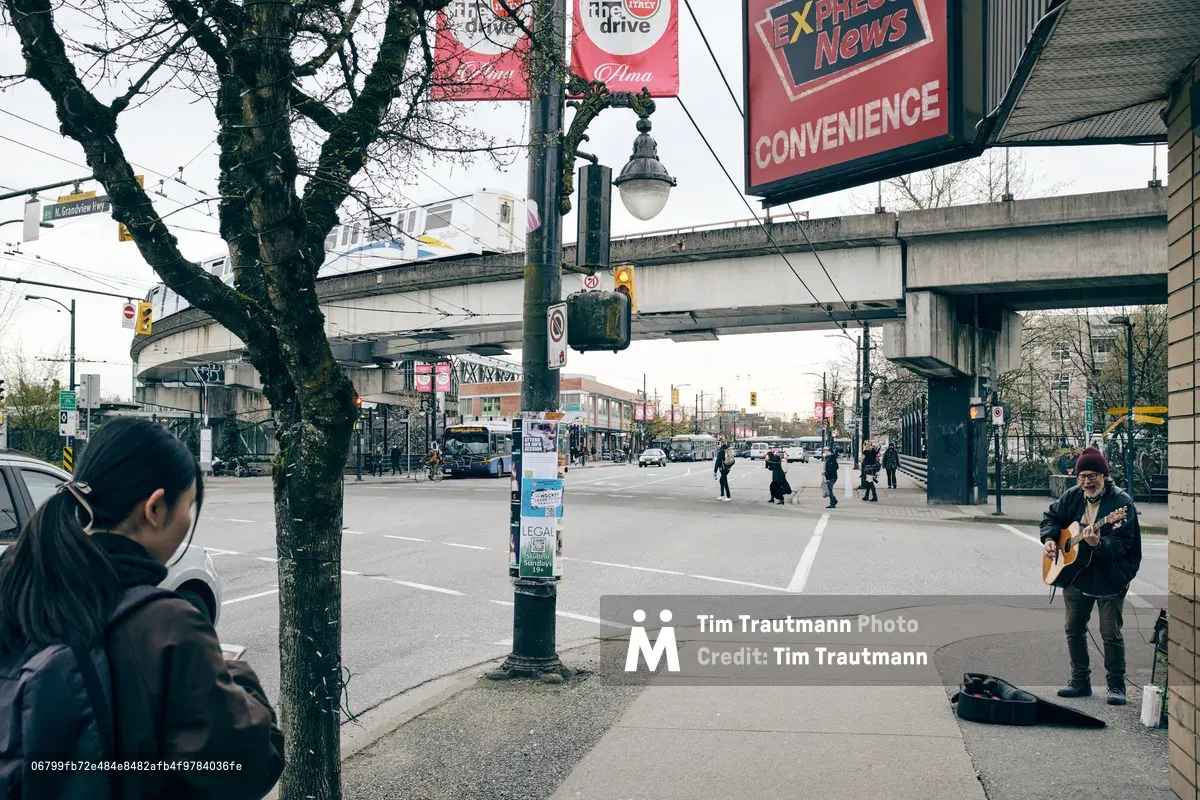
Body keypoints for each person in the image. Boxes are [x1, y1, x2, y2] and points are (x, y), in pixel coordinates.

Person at [0, 417, 284, 799]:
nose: (188, 522)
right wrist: (236, 673)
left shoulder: (17, 584)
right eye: (188, 507)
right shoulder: (168, 626)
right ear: (154, 508)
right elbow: (248, 766)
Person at [1039, 447, 1142, 705]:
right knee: (1073, 627)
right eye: (1082, 476)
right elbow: (1050, 518)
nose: (1086, 481)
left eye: (1092, 475)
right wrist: (1050, 539)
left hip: (1110, 576)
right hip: (1076, 573)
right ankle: (1080, 681)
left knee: (1110, 632)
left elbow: (1124, 546)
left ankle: (1116, 685)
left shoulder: (1121, 504)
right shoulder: (1073, 496)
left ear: (1104, 475)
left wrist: (1098, 544)